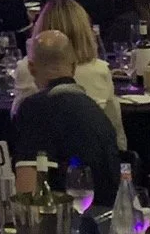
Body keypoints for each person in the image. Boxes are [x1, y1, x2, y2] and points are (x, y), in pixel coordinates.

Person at [8, 32, 120, 207]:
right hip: (107, 216)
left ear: (31, 68)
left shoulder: (35, 108)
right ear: (73, 67)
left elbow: (27, 195)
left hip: (66, 223)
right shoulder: (95, 110)